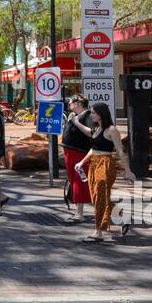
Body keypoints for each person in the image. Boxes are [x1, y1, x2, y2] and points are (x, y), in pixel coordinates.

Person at [70, 102, 134, 241]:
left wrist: (127, 171)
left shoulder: (112, 130)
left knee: (100, 198)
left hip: (105, 165)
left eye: (93, 112)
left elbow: (120, 151)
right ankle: (123, 216)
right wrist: (82, 162)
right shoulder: (97, 128)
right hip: (94, 164)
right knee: (97, 197)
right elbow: (93, 147)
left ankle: (98, 232)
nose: (91, 115)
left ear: (101, 113)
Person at [59, 95, 93, 224]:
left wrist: (77, 123)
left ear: (78, 103)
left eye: (71, 102)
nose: (69, 104)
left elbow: (91, 132)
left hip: (79, 154)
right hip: (72, 153)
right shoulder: (76, 116)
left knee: (79, 181)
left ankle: (80, 213)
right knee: (75, 181)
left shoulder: (87, 116)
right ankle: (78, 211)